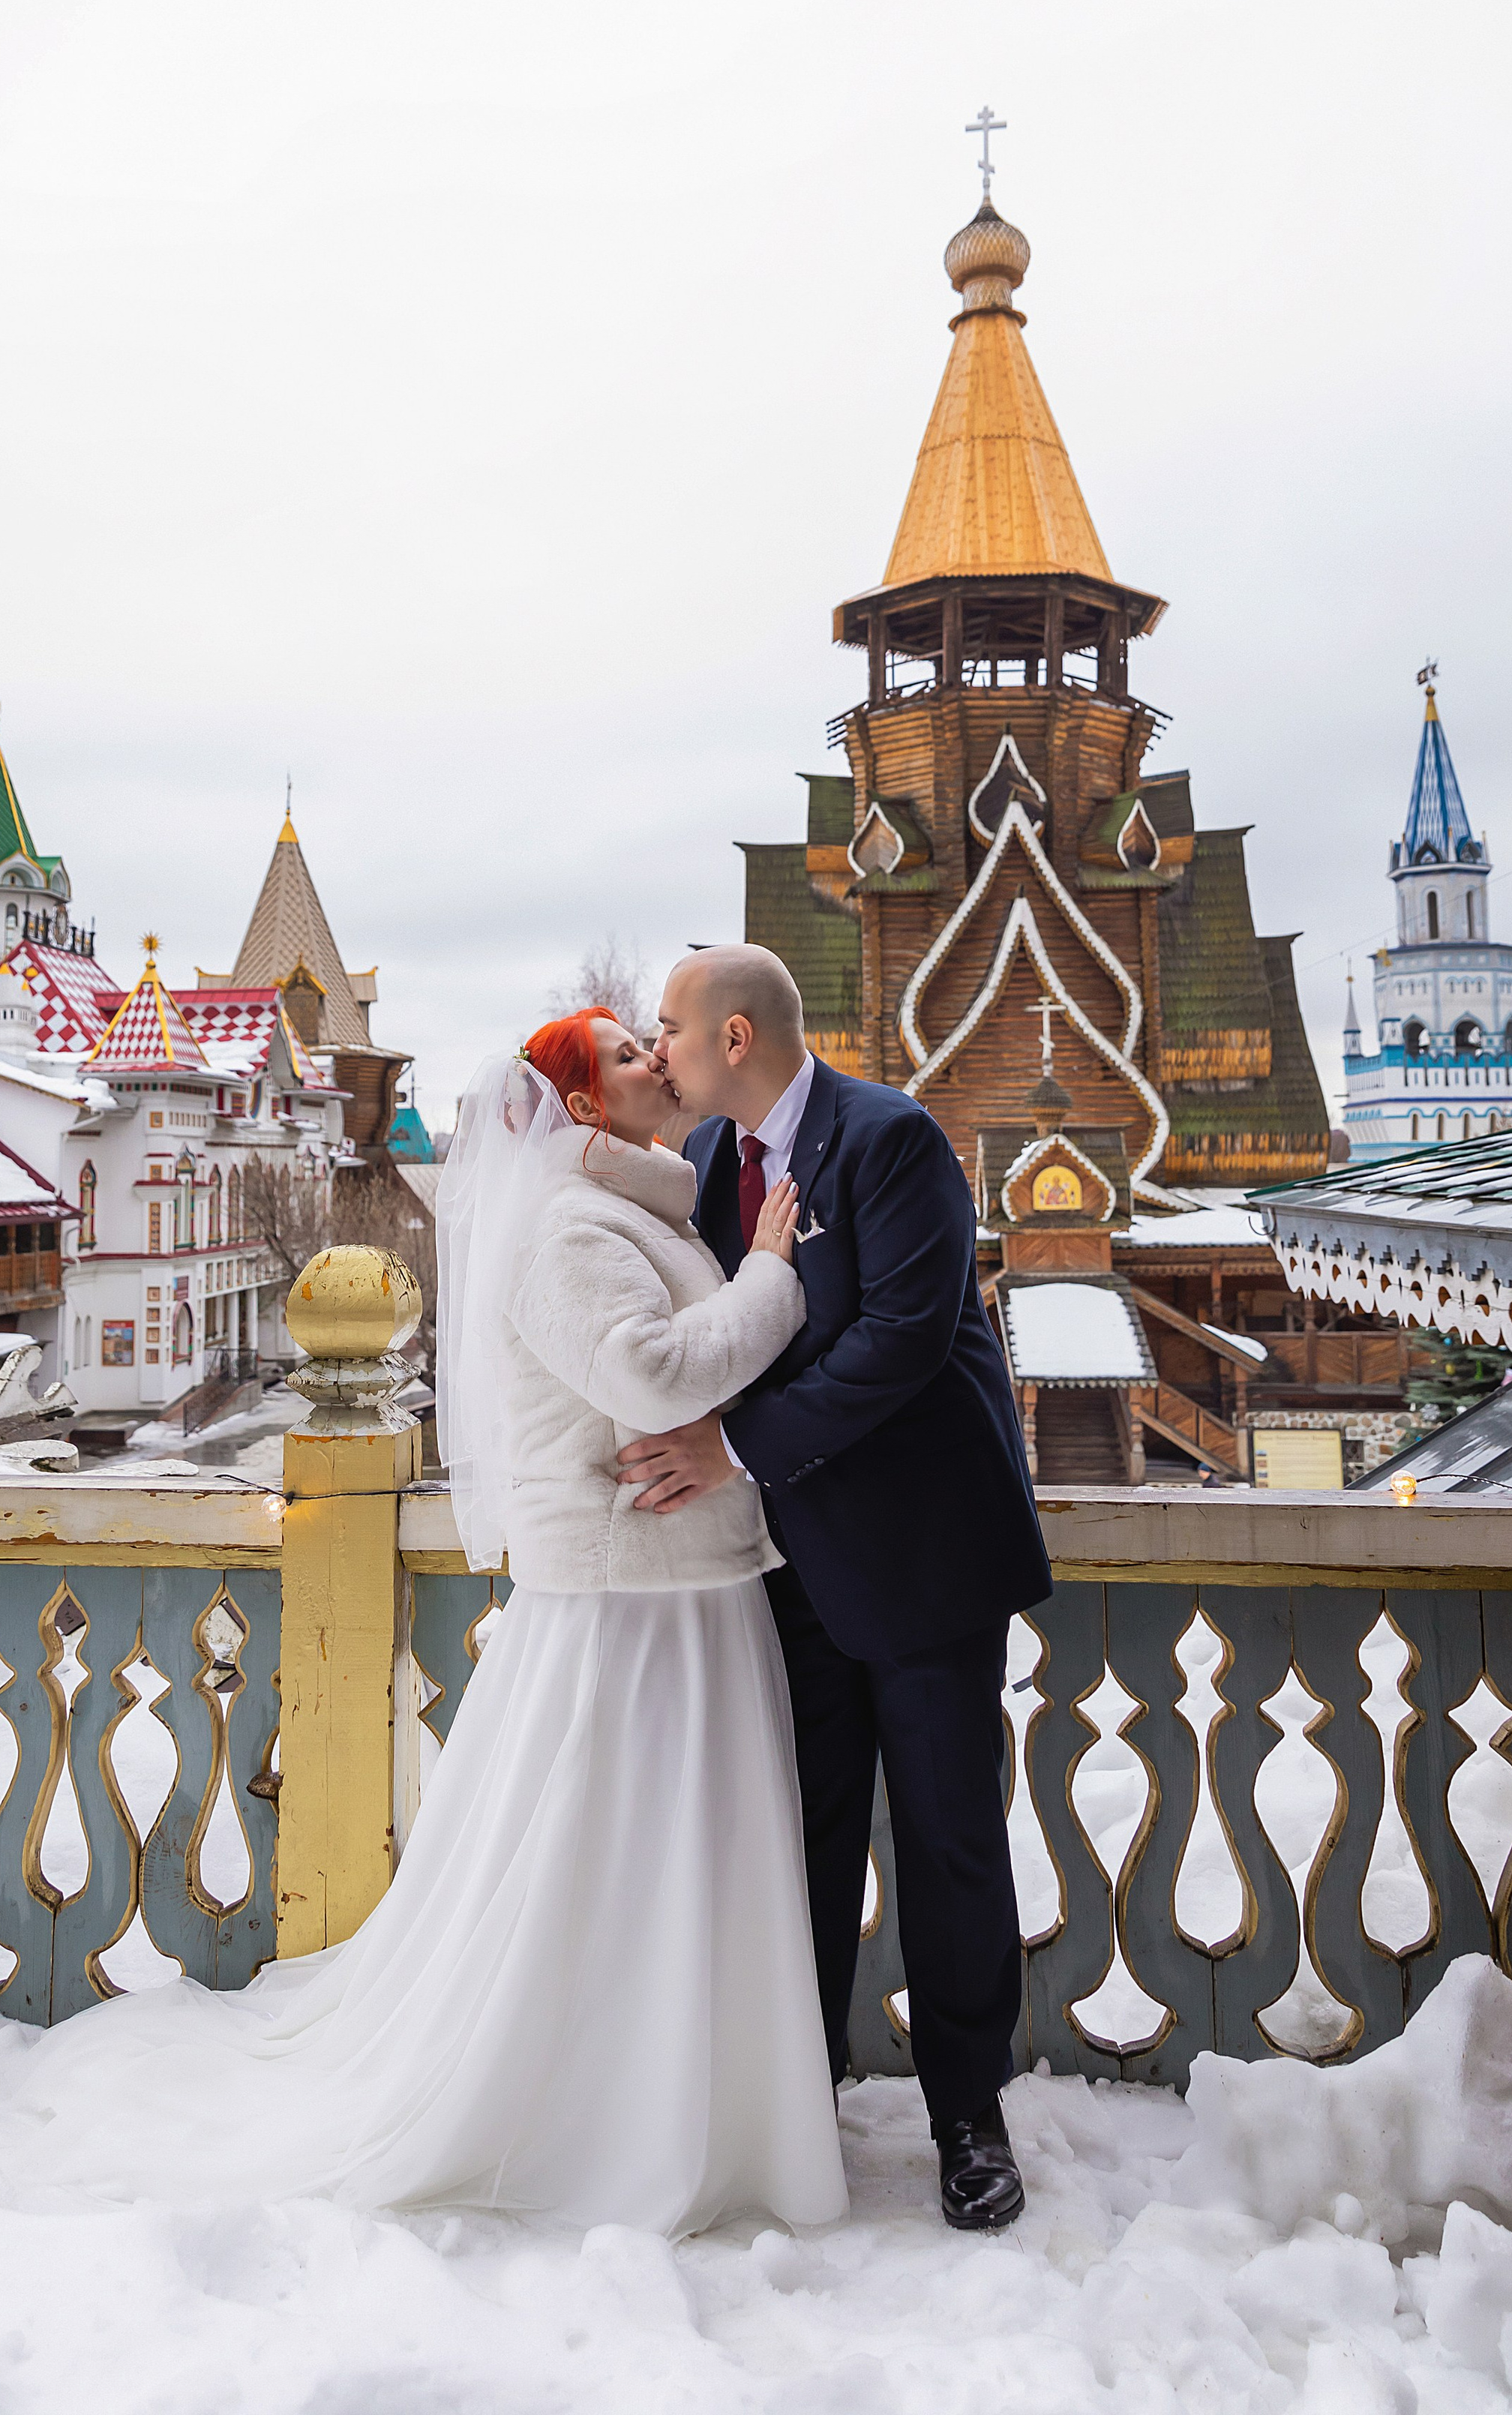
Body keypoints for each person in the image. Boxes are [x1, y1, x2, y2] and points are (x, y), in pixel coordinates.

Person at [30, 1006, 846, 2240]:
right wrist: (775, 1280)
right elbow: (656, 1378)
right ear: (581, 1110)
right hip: (634, 1605)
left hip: (681, 1586)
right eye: (629, 1055)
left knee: (674, 1862)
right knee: (624, 1863)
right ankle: (620, 2119)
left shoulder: (637, 1210)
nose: (656, 1062)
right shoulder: (576, 1226)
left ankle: (694, 2103)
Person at [620, 945, 1052, 2233]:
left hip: (922, 1555)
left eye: (672, 1034)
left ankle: (970, 2118)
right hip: (788, 1558)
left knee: (948, 1839)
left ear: (737, 1037)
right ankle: (795, 2099)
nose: (660, 1054)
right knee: (796, 1837)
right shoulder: (703, 1167)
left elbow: (903, 1342)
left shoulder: (893, 1139)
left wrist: (732, 1449)